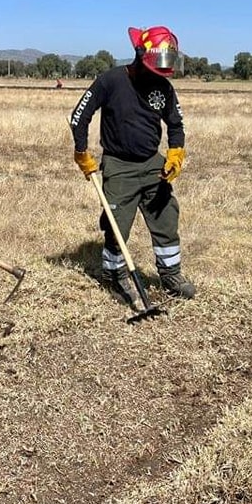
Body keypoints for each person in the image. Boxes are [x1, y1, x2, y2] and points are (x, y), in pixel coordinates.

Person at [70, 25, 195, 307]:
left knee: (166, 218)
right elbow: (79, 117)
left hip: (153, 165)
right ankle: (113, 274)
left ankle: (171, 275)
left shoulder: (164, 85)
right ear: (140, 55)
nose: (160, 71)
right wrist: (82, 153)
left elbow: (176, 124)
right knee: (117, 226)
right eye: (157, 63)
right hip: (119, 166)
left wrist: (176, 153)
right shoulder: (111, 80)